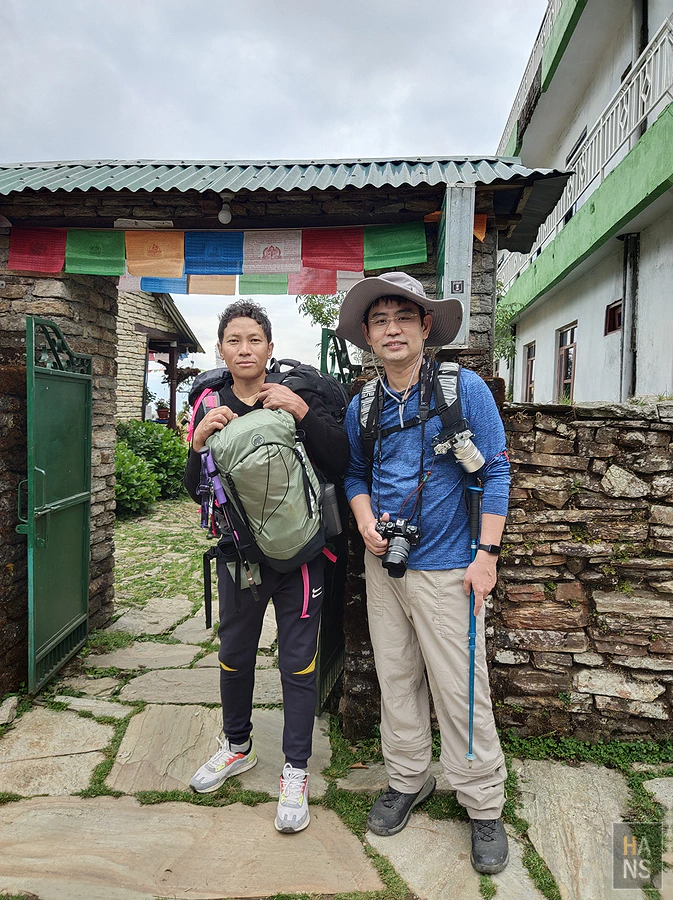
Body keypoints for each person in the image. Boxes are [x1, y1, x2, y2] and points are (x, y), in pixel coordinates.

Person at [336, 272, 510, 874]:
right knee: (397, 677)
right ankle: (409, 777)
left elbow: (496, 474)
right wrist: (363, 523)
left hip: (450, 568)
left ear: (425, 326)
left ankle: (482, 800)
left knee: (462, 689)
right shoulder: (365, 403)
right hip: (385, 565)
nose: (391, 328)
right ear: (366, 334)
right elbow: (354, 474)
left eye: (403, 317)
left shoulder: (463, 391)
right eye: (380, 319)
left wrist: (486, 555)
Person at [184, 299, 349, 833]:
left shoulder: (294, 395)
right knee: (234, 656)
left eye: (255, 339)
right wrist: (198, 442)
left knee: (297, 664)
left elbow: (341, 459)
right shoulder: (209, 402)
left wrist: (301, 413)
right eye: (234, 340)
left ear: (270, 348)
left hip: (301, 558)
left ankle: (295, 769)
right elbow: (195, 489)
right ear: (221, 349)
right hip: (238, 558)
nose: (245, 349)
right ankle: (237, 746)